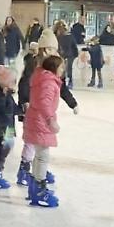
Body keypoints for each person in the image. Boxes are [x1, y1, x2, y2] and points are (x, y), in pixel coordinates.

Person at [15, 30, 77, 188]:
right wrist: (24, 101)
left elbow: (60, 87)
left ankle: (38, 173)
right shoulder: (35, 65)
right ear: (47, 49)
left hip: (40, 111)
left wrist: (72, 102)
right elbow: (24, 84)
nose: (57, 52)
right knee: (33, 143)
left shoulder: (53, 67)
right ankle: (25, 169)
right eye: (54, 49)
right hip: (33, 109)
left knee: (39, 145)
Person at [23, 53, 64, 208]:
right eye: (61, 67)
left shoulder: (43, 79)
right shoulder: (48, 82)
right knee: (42, 156)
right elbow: (44, 103)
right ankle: (39, 189)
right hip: (41, 122)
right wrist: (50, 120)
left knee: (39, 155)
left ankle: (33, 188)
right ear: (54, 68)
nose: (62, 70)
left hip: (35, 119)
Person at [55, 20, 79, 89]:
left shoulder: (62, 37)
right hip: (65, 55)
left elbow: (74, 46)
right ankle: (65, 81)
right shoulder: (60, 37)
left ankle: (68, 81)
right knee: (65, 69)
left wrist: (75, 54)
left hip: (67, 55)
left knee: (66, 68)